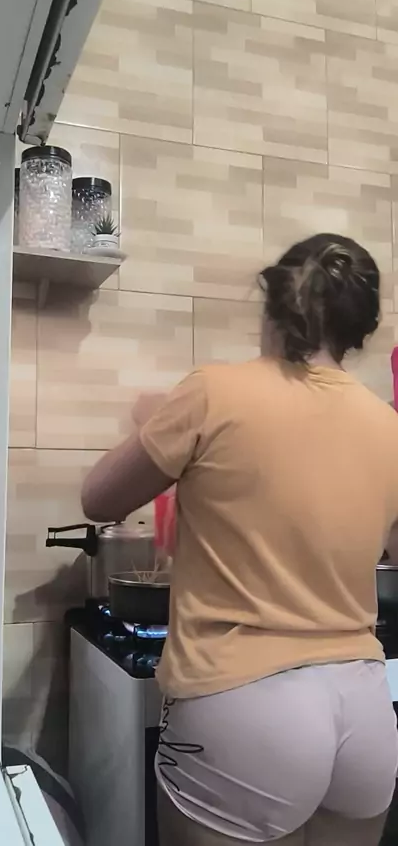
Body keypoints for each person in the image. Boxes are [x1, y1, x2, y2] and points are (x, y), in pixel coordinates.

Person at [81, 233, 398, 846]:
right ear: (357, 331)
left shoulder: (213, 391)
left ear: (272, 307)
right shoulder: (389, 425)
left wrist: (153, 426)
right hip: (363, 704)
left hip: (242, 704)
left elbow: (99, 500)